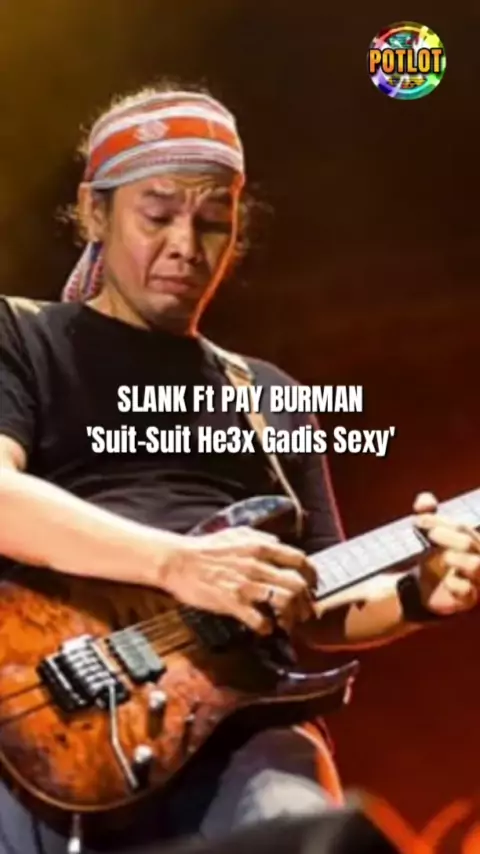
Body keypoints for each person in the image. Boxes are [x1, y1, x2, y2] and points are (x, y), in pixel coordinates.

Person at [0, 82, 479, 854]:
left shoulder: (269, 395)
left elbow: (317, 597)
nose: (186, 245)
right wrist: (178, 564)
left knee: (317, 838)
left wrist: (417, 595)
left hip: (246, 725)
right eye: (157, 215)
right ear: (94, 212)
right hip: (49, 704)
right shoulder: (21, 336)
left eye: (213, 220)